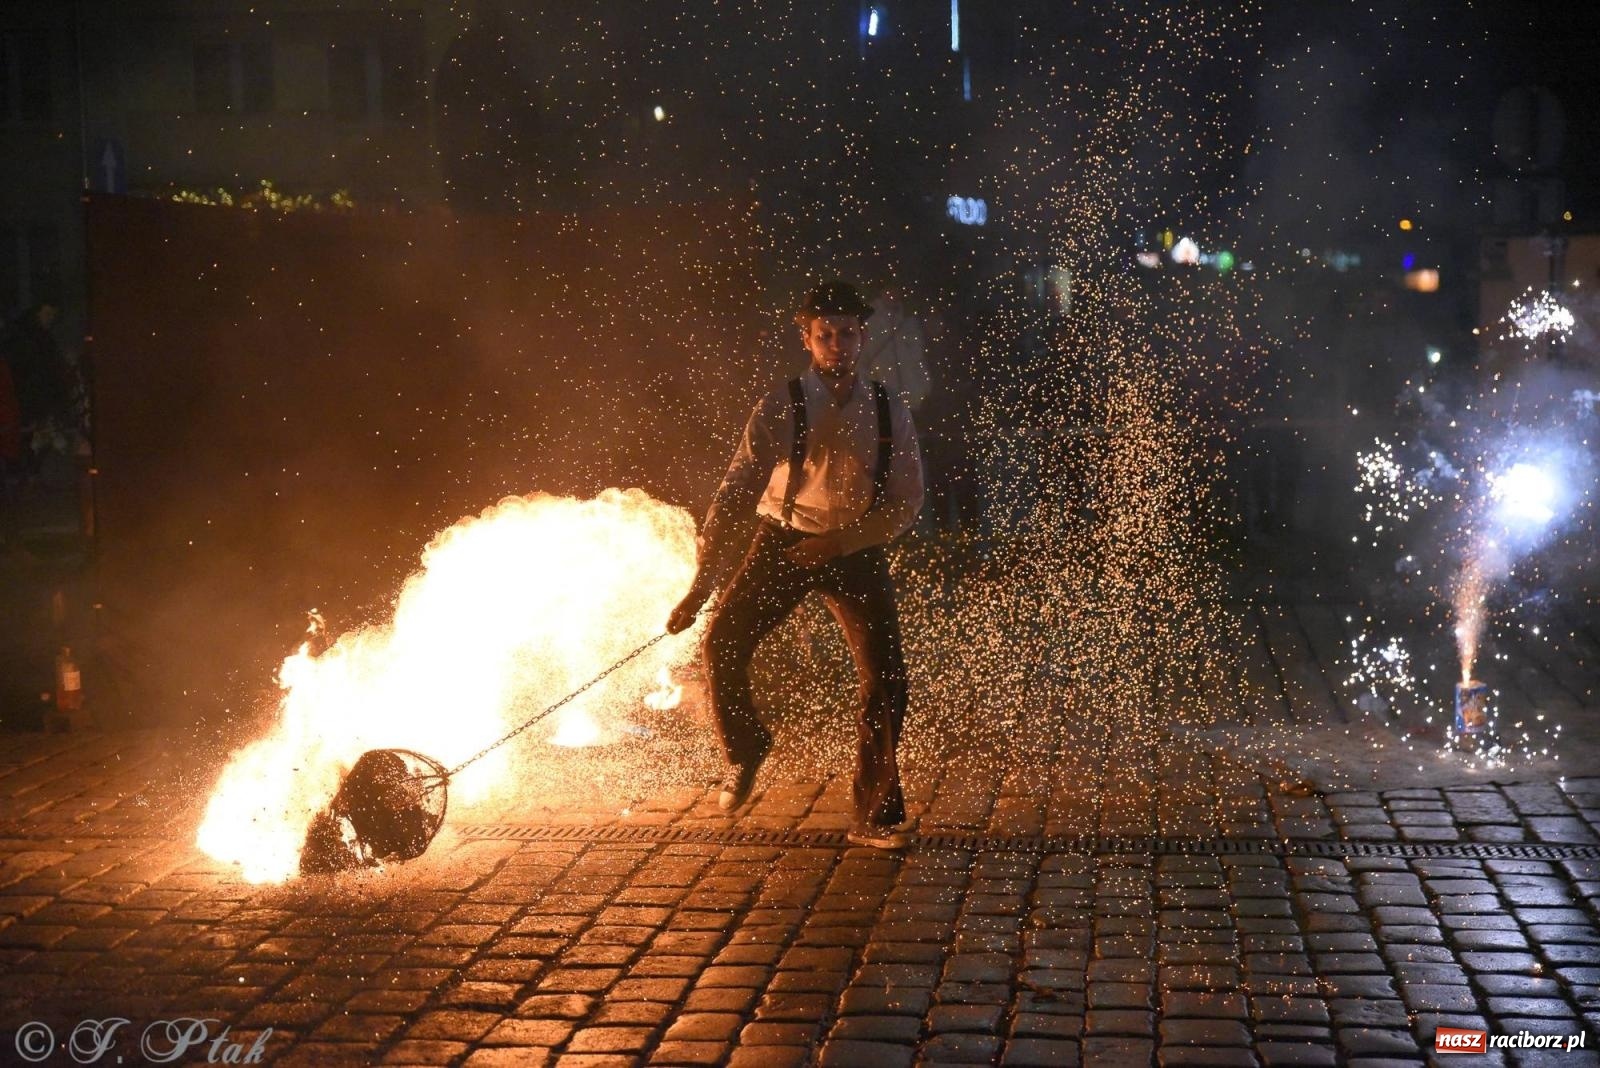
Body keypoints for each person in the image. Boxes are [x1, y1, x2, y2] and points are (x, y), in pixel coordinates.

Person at [668, 281, 925, 849]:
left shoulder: (888, 408)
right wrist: (698, 588)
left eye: (848, 334)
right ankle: (746, 750)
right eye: (825, 335)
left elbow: (907, 501)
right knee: (722, 642)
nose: (837, 345)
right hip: (782, 542)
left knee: (886, 680)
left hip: (855, 548)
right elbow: (733, 498)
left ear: (862, 337)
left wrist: (840, 545)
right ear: (807, 338)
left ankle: (875, 816)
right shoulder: (780, 405)